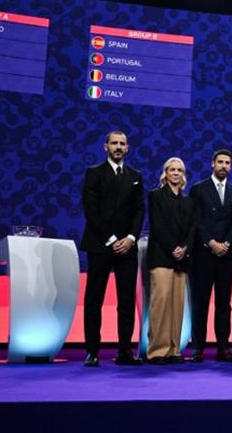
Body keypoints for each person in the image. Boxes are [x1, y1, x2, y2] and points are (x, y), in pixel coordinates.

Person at [80, 130, 145, 367]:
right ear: (105, 146)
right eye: (114, 143)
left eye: (122, 144)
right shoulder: (94, 173)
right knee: (94, 299)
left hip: (127, 248)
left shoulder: (135, 176)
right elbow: (90, 210)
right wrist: (111, 239)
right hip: (100, 245)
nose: (118, 147)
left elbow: (139, 210)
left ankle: (125, 351)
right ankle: (92, 351)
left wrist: (129, 238)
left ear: (127, 148)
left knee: (127, 300)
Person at [189, 149, 232, 363]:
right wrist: (211, 243)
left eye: (227, 163)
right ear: (212, 164)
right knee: (200, 303)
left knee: (224, 304)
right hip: (203, 255)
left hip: (226, 257)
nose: (223, 166)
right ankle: (198, 349)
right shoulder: (198, 189)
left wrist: (226, 244)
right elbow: (196, 220)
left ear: (230, 166)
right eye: (220, 162)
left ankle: (223, 347)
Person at [146, 157, 195, 364]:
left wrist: (185, 248)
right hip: (162, 256)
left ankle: (174, 350)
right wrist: (173, 247)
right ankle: (157, 350)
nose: (175, 173)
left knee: (177, 305)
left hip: (181, 258)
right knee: (161, 302)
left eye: (179, 170)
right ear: (165, 173)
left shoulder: (188, 201)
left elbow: (193, 227)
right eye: (172, 169)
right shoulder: (156, 196)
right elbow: (157, 225)